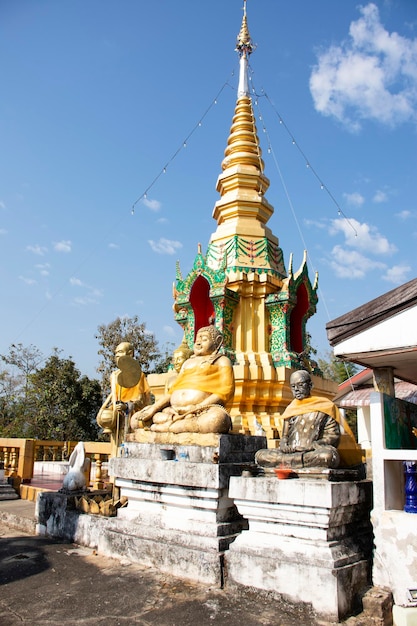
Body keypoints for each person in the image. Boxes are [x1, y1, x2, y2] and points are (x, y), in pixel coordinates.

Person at [132, 325, 234, 434]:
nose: (199, 343)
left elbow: (226, 390)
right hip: (173, 411)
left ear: (217, 342)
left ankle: (166, 427)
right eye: (197, 340)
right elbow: (172, 392)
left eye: (204, 339)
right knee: (135, 420)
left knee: (217, 420)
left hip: (201, 411)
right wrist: (153, 409)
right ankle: (176, 425)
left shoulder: (222, 361)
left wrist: (197, 407)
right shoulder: (187, 363)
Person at [255, 369, 345, 469]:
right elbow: (284, 438)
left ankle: (290, 463)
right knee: (260, 455)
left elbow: (333, 436)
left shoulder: (324, 407)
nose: (296, 389)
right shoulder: (290, 410)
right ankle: (297, 462)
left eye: (300, 385)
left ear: (310, 385)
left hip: (312, 452)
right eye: (293, 386)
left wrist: (315, 445)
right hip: (292, 453)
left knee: (328, 456)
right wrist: (284, 445)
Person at [97, 342, 151, 450]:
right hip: (116, 419)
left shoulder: (138, 375)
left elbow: (141, 400)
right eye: (116, 353)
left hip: (131, 417)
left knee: (127, 449)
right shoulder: (114, 375)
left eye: (120, 352)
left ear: (130, 354)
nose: (117, 355)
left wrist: (126, 406)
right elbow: (113, 396)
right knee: (115, 450)